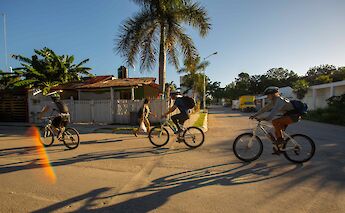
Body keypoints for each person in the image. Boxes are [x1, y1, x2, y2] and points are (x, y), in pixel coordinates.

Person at [250, 86, 301, 152]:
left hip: (293, 116)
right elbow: (264, 109)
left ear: (272, 94)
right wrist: (254, 115)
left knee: (275, 122)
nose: (267, 97)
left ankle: (281, 140)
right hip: (288, 116)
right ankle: (279, 148)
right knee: (277, 131)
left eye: (268, 95)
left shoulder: (279, 100)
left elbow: (272, 114)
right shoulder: (274, 101)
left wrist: (264, 118)